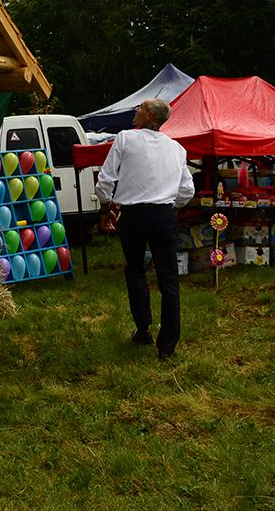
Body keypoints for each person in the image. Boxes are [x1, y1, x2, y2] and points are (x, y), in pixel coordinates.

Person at [95, 98, 195, 360]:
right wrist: (172, 206)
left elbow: (106, 179)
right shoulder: (176, 148)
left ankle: (143, 328)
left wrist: (105, 209)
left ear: (149, 115)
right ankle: (168, 346)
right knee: (169, 277)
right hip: (163, 215)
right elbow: (187, 190)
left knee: (136, 270)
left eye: (140, 107)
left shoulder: (125, 138)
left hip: (134, 216)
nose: (136, 110)